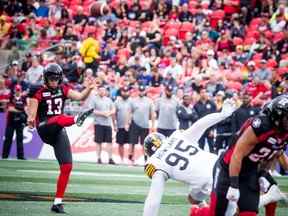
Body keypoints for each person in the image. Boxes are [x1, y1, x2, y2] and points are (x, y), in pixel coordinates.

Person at [143, 99, 237, 216]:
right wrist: (222, 114)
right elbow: (200, 124)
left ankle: (200, 212)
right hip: (220, 164)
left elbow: (153, 199)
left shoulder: (155, 163)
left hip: (206, 181)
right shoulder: (177, 136)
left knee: (229, 211)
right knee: (196, 199)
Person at [26, 63, 94, 213]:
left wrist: (89, 88)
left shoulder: (63, 88)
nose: (54, 81)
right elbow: (32, 112)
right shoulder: (37, 90)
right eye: (51, 79)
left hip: (59, 129)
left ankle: (57, 203)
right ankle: (76, 119)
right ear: (45, 78)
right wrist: (30, 119)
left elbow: (80, 97)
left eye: (56, 79)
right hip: (44, 127)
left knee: (67, 167)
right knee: (59, 118)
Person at [208, 94, 288, 216]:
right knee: (217, 213)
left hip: (250, 171)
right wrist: (234, 184)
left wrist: (263, 173)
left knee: (249, 213)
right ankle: (197, 212)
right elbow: (237, 154)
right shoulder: (261, 126)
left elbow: (275, 153)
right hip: (227, 168)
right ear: (277, 115)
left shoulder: (283, 131)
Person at [125, 85, 155, 163]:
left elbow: (152, 114)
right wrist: (127, 123)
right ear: (138, 91)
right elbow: (129, 112)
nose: (141, 92)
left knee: (144, 144)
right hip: (134, 123)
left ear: (145, 91)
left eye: (143, 90)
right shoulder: (133, 100)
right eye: (140, 90)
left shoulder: (149, 101)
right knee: (132, 142)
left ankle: (146, 160)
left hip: (145, 125)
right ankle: (130, 158)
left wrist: (153, 125)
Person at [88, 84, 116, 164]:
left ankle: (110, 158)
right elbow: (91, 110)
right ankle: (99, 158)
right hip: (98, 123)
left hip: (108, 124)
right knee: (98, 142)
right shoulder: (94, 99)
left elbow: (113, 110)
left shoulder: (108, 100)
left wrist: (109, 113)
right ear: (98, 91)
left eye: (104, 90)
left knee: (109, 142)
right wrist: (102, 113)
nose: (102, 92)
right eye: (101, 90)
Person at [2, 84, 26, 160]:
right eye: (17, 90)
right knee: (8, 139)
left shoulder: (23, 98)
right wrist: (19, 109)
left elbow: (25, 108)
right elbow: (9, 108)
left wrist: (17, 108)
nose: (18, 91)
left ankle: (20, 156)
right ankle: (5, 155)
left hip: (19, 122)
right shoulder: (11, 97)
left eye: (19, 90)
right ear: (14, 90)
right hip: (10, 122)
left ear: (20, 90)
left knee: (20, 139)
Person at [114, 86, 131, 163]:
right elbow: (114, 113)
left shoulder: (132, 101)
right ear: (121, 92)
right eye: (123, 91)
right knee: (121, 143)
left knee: (131, 143)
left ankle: (130, 159)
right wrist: (115, 124)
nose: (125, 93)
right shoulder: (117, 102)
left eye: (126, 91)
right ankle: (122, 159)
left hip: (131, 126)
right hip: (120, 125)